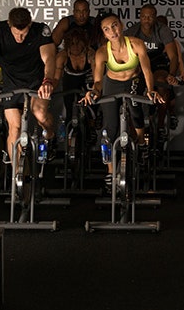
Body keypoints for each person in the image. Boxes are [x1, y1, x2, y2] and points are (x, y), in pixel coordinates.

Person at [81, 12, 163, 187]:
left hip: (134, 81)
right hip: (112, 84)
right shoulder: (102, 52)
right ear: (104, 34)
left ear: (121, 25)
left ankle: (141, 142)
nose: (112, 31)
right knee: (110, 128)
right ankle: (110, 171)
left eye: (114, 25)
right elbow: (98, 81)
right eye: (106, 29)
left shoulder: (136, 44)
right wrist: (93, 92)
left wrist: (150, 90)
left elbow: (146, 70)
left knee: (135, 110)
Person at [0, 7, 56, 164]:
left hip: (37, 82)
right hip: (11, 84)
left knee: (40, 114)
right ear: (9, 24)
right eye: (16, 34)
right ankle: (16, 174)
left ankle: (50, 136)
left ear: (30, 24)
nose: (20, 38)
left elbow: (49, 58)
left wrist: (47, 80)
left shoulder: (41, 30)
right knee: (14, 128)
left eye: (24, 34)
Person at [54, 27, 95, 121]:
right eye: (72, 44)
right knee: (69, 108)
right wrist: (50, 88)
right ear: (67, 45)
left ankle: (92, 121)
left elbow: (97, 77)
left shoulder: (91, 54)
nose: (75, 47)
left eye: (78, 43)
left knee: (92, 104)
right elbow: (56, 78)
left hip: (87, 79)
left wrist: (94, 90)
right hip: (70, 80)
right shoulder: (62, 56)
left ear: (84, 43)